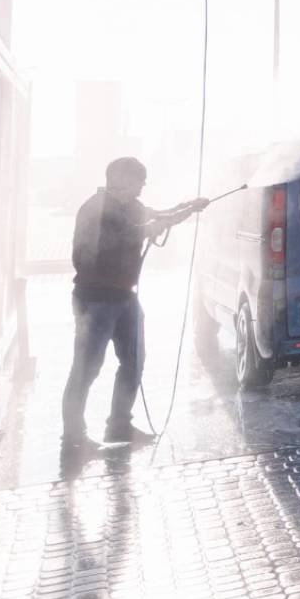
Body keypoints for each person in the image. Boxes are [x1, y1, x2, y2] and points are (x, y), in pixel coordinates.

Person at [61, 157, 207, 452]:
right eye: (139, 179)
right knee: (86, 368)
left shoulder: (131, 207)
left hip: (124, 297)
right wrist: (151, 227)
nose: (143, 186)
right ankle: (73, 437)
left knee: (134, 360)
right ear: (119, 178)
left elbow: (157, 215)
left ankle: (119, 424)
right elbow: (119, 236)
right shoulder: (95, 208)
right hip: (95, 299)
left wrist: (188, 208)